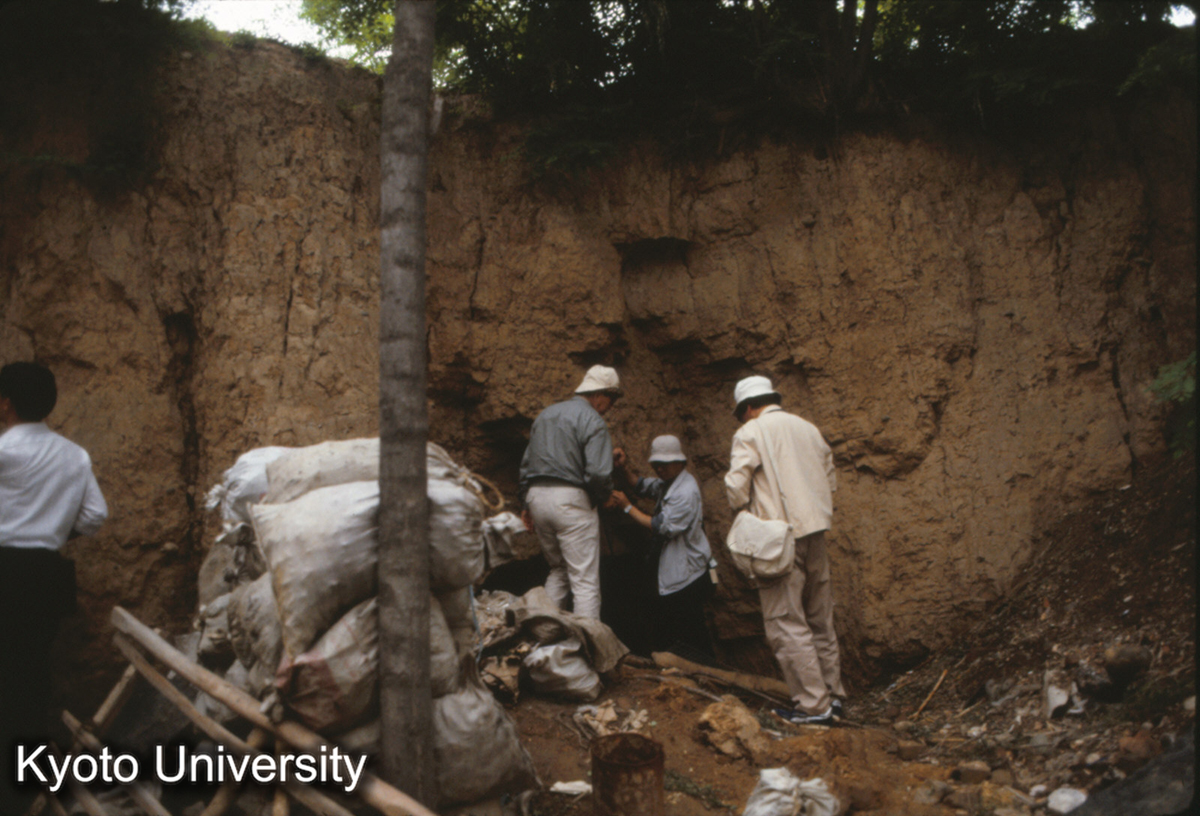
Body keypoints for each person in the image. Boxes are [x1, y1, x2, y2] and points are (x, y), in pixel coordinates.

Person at [0, 362, 108, 813]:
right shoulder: (74, 455)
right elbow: (95, 516)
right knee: (29, 680)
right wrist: (50, 528)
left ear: (5, 403)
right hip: (44, 577)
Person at [724, 375, 845, 725]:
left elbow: (735, 487)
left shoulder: (751, 431)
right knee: (820, 618)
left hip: (779, 538)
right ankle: (833, 697)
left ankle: (813, 706)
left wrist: (747, 510)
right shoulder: (808, 429)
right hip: (815, 533)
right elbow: (830, 479)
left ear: (748, 407)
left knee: (786, 622)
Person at [518, 364, 621, 620]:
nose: (611, 406)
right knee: (584, 581)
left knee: (558, 570)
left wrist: (525, 504)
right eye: (612, 398)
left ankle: (541, 637)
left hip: (537, 497)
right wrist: (604, 496)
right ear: (599, 395)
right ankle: (589, 653)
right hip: (571, 501)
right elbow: (597, 473)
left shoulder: (546, 415)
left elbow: (527, 464)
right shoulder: (593, 420)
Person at [610, 435, 715, 661]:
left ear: (679, 462)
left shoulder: (685, 491)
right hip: (675, 571)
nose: (660, 469)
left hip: (688, 575)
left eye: (665, 464)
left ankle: (706, 670)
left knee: (691, 630)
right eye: (656, 465)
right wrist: (623, 469)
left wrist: (627, 508)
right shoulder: (669, 482)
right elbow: (643, 486)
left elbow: (662, 527)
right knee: (676, 625)